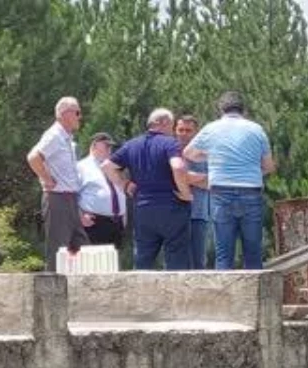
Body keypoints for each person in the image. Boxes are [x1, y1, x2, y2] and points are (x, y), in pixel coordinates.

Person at [182, 91, 275, 270]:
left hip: (221, 192)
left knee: (224, 252)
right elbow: (268, 165)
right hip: (251, 191)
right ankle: (254, 296)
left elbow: (188, 153)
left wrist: (210, 156)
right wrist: (252, 171)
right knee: (253, 251)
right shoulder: (256, 129)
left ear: (221, 109)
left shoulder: (211, 129)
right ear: (243, 110)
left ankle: (224, 297)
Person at [102, 109, 194, 270]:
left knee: (143, 260)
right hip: (171, 207)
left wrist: (125, 184)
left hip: (143, 208)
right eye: (172, 126)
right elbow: (178, 167)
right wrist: (186, 194)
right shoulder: (170, 143)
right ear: (164, 123)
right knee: (176, 260)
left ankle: (140, 294)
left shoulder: (132, 145)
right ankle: (175, 295)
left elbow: (107, 166)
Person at [26, 96, 87, 272]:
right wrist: (46, 179)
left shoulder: (67, 139)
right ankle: (52, 296)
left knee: (83, 249)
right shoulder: (54, 135)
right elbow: (33, 157)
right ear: (64, 114)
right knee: (58, 252)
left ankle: (78, 292)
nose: (79, 117)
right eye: (77, 112)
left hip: (70, 200)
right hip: (57, 198)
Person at [76, 132, 128, 250]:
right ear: (94, 145)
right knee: (94, 263)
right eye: (106, 145)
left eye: (111, 146)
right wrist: (80, 216)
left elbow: (120, 192)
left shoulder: (114, 167)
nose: (109, 149)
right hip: (95, 223)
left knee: (112, 264)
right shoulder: (81, 167)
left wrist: (124, 217)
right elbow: (71, 195)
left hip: (116, 224)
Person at [175, 115, 212, 269]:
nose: (184, 133)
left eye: (188, 130)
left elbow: (213, 183)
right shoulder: (170, 152)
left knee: (198, 262)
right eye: (180, 130)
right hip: (174, 214)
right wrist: (199, 179)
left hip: (198, 214)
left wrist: (185, 177)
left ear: (196, 133)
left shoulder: (204, 156)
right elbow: (168, 179)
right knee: (177, 262)